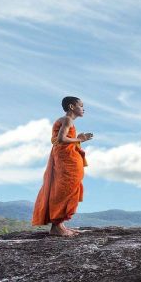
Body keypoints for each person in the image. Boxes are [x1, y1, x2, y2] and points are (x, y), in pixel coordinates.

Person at [32, 96, 93, 236]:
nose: (84, 109)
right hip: (66, 160)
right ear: (72, 107)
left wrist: (78, 138)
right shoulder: (67, 119)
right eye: (81, 106)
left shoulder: (68, 121)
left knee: (68, 188)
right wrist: (80, 139)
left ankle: (60, 224)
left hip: (68, 158)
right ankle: (57, 226)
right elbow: (61, 139)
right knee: (63, 189)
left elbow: (64, 139)